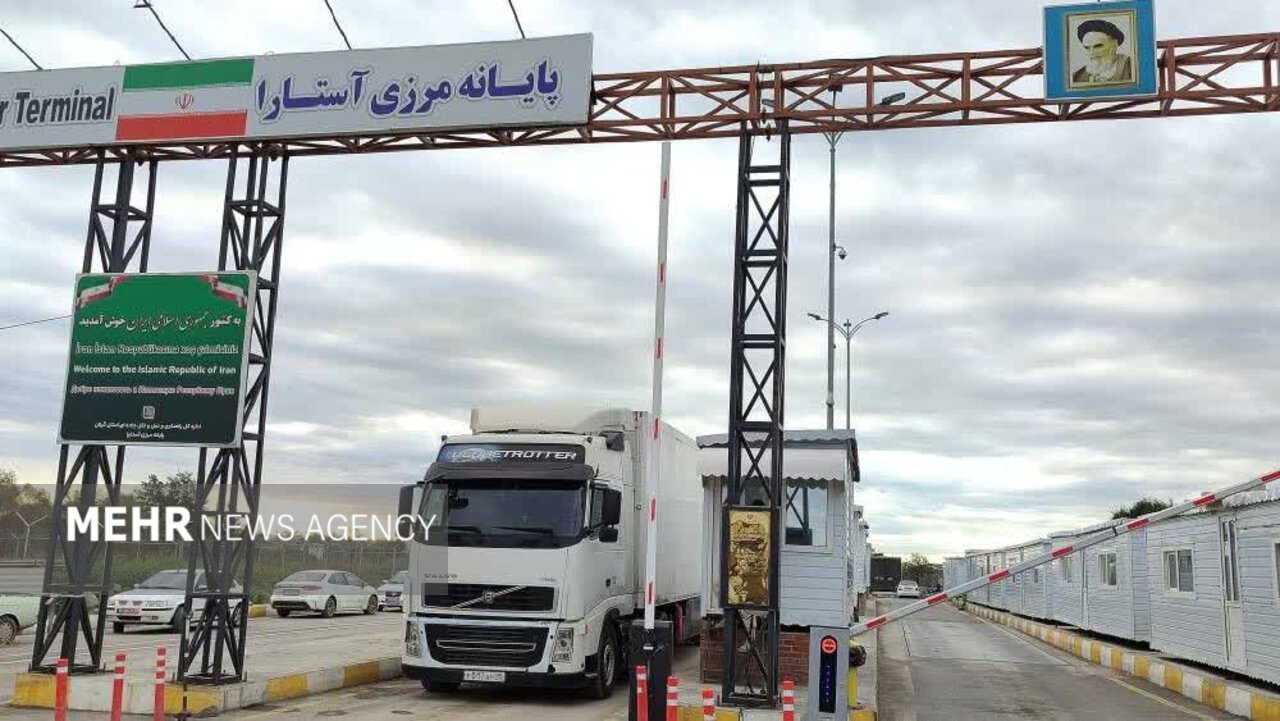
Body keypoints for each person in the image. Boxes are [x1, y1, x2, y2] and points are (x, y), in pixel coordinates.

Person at [1072, 18, 1134, 84]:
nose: (1091, 53)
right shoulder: (1077, 76)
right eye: (1087, 48)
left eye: (1098, 46)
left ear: (1114, 44)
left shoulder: (1131, 67)